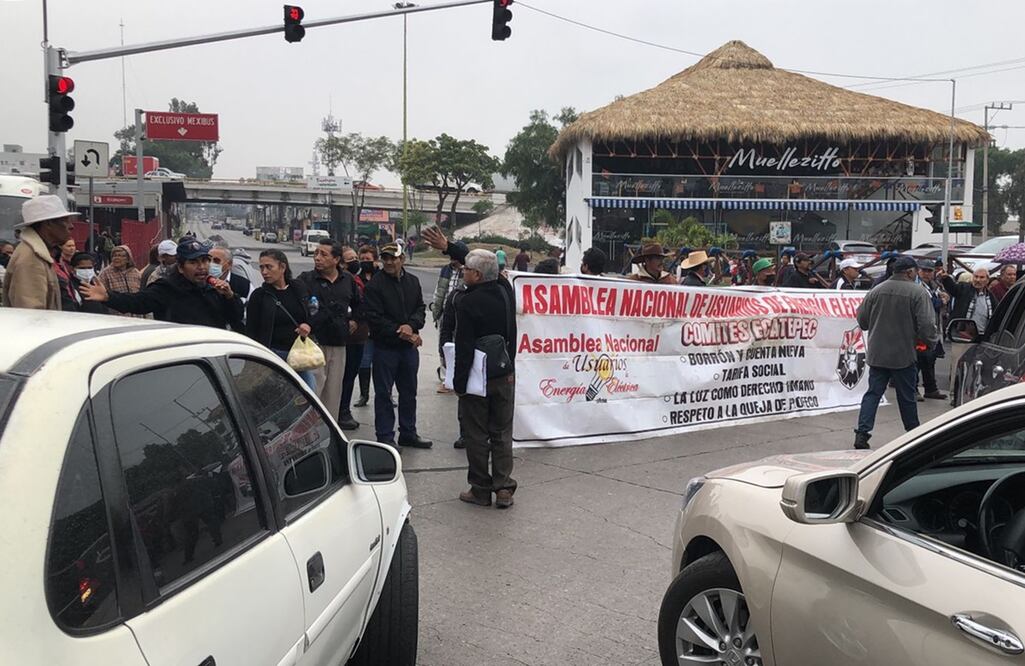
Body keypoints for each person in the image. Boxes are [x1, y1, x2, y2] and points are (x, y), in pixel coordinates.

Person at [852, 256, 938, 450]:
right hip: (904, 354)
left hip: (877, 353)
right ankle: (913, 435)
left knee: (873, 394)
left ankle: (862, 434)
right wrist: (931, 343)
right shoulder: (918, 292)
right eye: (915, 271)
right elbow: (926, 325)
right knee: (906, 396)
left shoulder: (876, 290)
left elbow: (862, 320)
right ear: (909, 272)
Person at [453, 249, 517, 508]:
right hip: (504, 371)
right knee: (501, 432)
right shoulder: (504, 291)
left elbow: (464, 346)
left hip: (478, 378)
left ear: (477, 275)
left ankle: (480, 488)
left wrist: (458, 382)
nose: (463, 272)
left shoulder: (467, 302)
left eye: (466, 269)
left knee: (477, 433)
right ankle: (503, 488)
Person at [81, 238, 244, 330]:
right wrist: (107, 296)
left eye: (204, 261)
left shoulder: (215, 289)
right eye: (193, 263)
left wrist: (230, 296)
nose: (201, 267)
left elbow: (236, 320)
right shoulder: (167, 288)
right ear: (180, 267)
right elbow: (137, 302)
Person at [364, 242, 431, 449]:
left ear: (402, 259)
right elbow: (374, 319)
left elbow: (420, 309)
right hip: (386, 348)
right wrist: (402, 332)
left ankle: (408, 433)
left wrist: (411, 326)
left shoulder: (413, 281)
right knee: (384, 394)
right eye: (386, 258)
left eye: (394, 258)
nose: (390, 262)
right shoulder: (375, 285)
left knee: (409, 392)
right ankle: (385, 437)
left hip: (408, 349)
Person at [299, 239, 361, 426]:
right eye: (316, 253)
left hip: (339, 344)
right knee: (312, 393)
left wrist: (355, 320)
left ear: (336, 259)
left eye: (323, 254)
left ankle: (329, 433)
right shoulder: (305, 279)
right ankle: (306, 433)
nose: (317, 258)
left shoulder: (348, 280)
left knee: (333, 394)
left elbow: (359, 304)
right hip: (313, 343)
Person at [246, 249, 316, 390]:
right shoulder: (259, 296)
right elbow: (251, 331)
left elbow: (313, 312)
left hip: (299, 354)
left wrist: (308, 325)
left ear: (282, 267)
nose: (264, 272)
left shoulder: (299, 288)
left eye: (269, 267)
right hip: (272, 355)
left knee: (310, 392)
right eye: (261, 267)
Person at [3, 195, 75, 310]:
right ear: (48, 224)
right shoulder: (31, 259)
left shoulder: (41, 254)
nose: (71, 226)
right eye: (65, 221)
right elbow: (31, 314)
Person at [940, 266, 998, 398]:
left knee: (977, 367)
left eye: (981, 277)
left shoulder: (990, 297)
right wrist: (945, 278)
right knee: (958, 365)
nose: (978, 280)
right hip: (962, 335)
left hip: (982, 337)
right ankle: (954, 394)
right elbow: (953, 288)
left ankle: (973, 393)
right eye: (976, 276)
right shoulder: (964, 289)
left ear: (987, 280)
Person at [341, 246, 371, 422]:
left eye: (355, 258)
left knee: (351, 375)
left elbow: (363, 305)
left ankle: (344, 410)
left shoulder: (358, 281)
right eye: (350, 259)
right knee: (339, 377)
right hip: (340, 338)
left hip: (359, 337)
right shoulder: (343, 280)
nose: (355, 262)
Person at [915, 260, 947, 401]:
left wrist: (944, 298)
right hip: (920, 328)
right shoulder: (916, 286)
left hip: (934, 327)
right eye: (924, 270)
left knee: (930, 359)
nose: (927, 273)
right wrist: (941, 301)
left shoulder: (935, 285)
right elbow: (927, 303)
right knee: (917, 361)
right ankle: (913, 390)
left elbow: (943, 296)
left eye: (929, 271)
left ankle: (930, 388)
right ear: (918, 271)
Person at [353, 245, 379, 408]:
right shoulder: (356, 279)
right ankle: (364, 395)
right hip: (364, 328)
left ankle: (386, 394)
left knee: (382, 364)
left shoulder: (382, 277)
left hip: (381, 328)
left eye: (368, 259)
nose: (365, 262)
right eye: (362, 259)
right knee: (364, 362)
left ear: (375, 260)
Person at [98, 245, 145, 318]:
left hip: (136, 316)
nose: (116, 258)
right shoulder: (105, 274)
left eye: (120, 256)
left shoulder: (135, 272)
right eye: (114, 256)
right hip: (116, 316)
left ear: (128, 259)